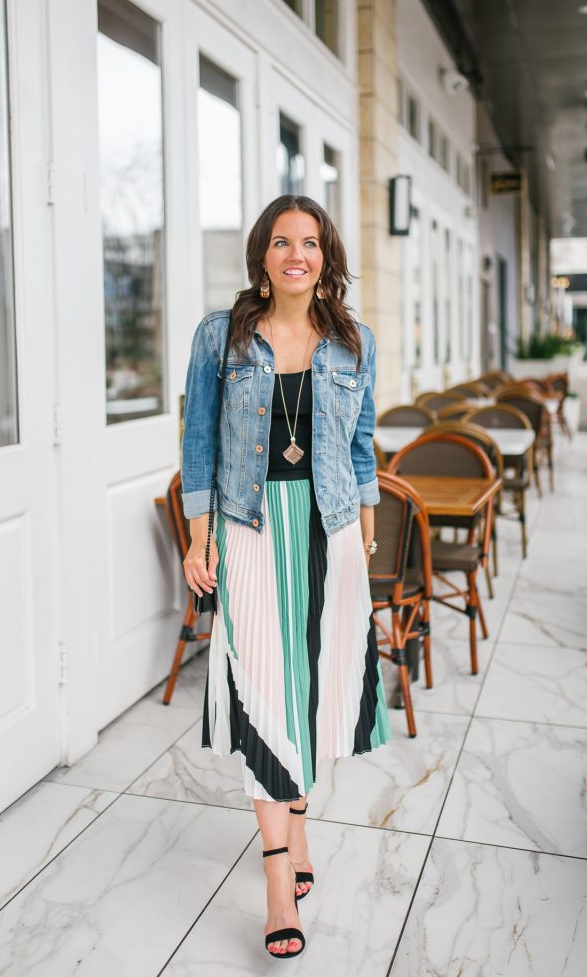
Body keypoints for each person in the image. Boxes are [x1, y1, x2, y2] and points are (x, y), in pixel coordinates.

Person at [181, 194, 392, 960]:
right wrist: (196, 540)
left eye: (308, 242)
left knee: (310, 690)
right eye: (280, 241)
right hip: (248, 529)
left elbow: (363, 445)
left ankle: (297, 832)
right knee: (264, 689)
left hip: (330, 532)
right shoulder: (221, 337)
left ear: (325, 255)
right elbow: (197, 441)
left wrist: (363, 540)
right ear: (262, 257)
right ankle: (278, 877)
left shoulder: (354, 342)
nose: (294, 254)